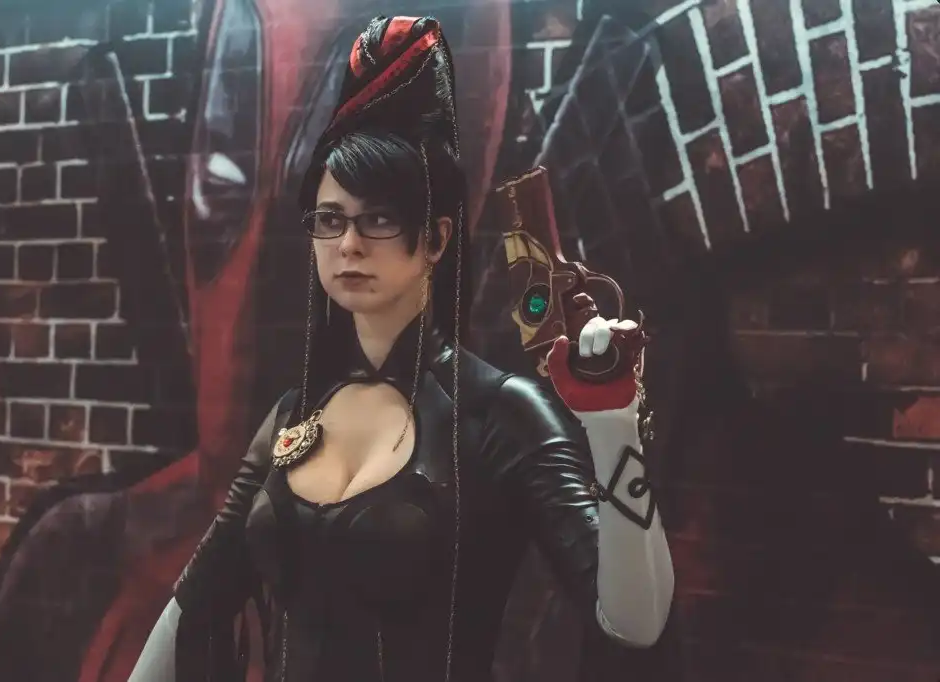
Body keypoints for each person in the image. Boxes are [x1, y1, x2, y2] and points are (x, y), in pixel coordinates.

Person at [128, 15, 674, 682]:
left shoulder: (500, 414)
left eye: (379, 219)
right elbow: (196, 602)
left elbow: (633, 622)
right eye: (330, 220)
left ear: (436, 239)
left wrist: (614, 425)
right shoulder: (293, 417)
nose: (348, 245)